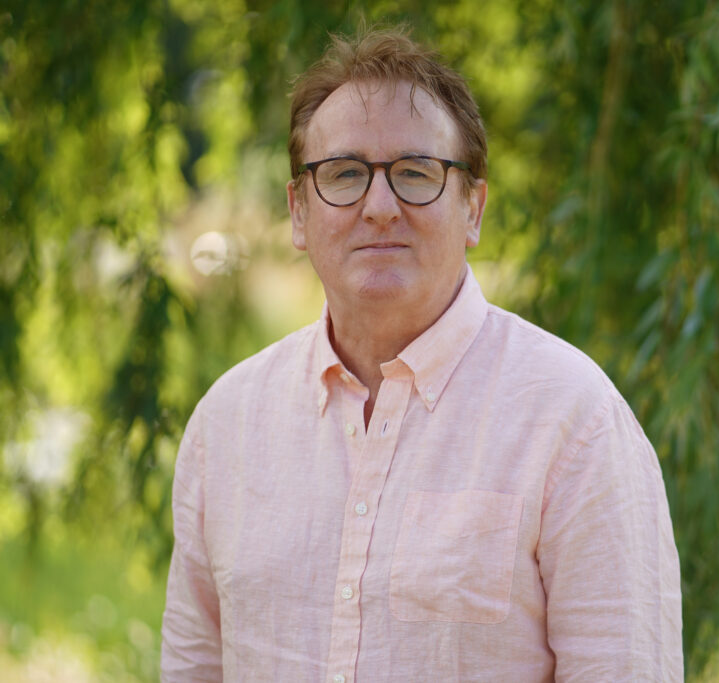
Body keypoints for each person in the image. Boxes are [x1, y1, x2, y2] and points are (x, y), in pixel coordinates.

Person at [161, 27, 683, 682]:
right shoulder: (226, 427)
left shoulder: (574, 423)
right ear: (298, 213)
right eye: (344, 173)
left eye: (415, 173)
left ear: (473, 206)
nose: (380, 207)